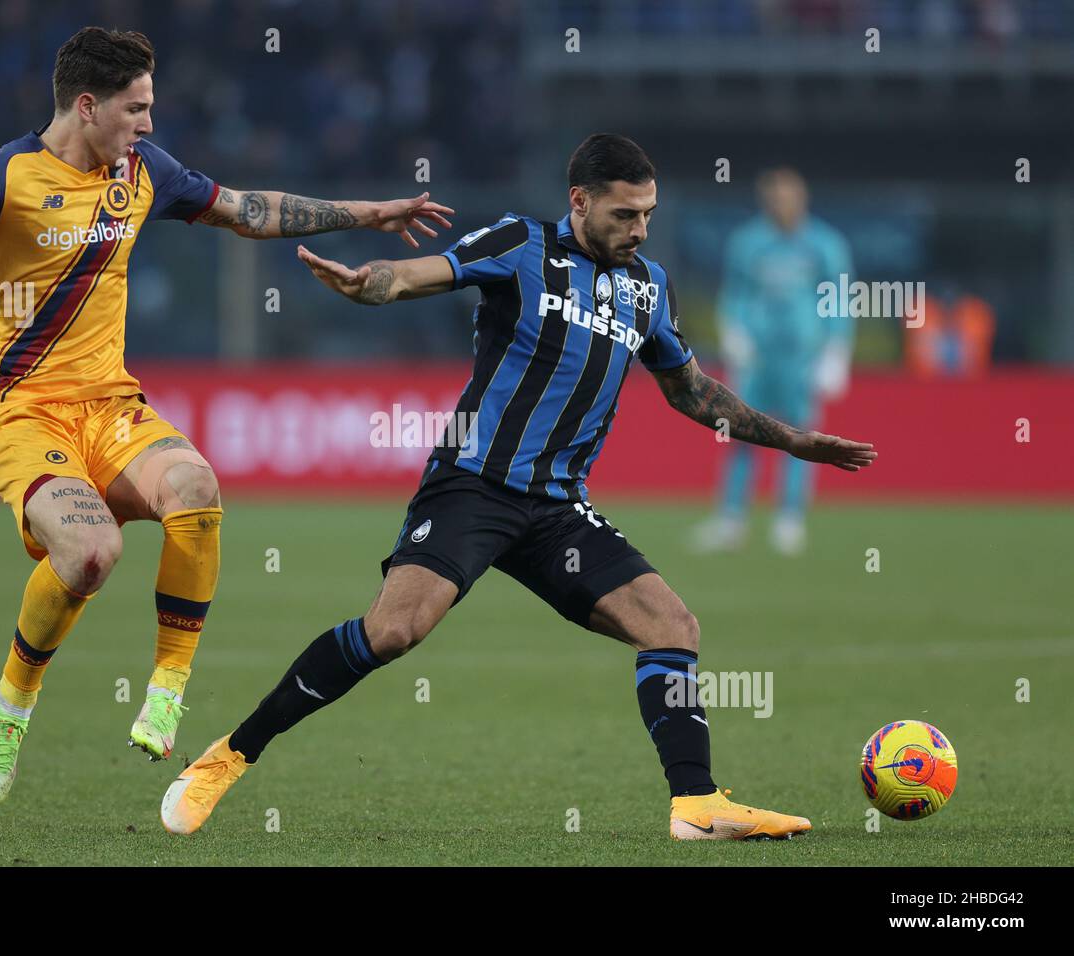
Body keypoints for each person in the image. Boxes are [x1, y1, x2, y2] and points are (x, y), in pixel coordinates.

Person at [161, 135, 876, 840]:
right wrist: (366, 284)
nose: (640, 229)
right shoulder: (520, 245)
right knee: (393, 630)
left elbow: (690, 392)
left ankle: (695, 805)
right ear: (580, 201)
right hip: (473, 486)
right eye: (625, 214)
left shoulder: (647, 286)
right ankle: (227, 757)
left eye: (648, 214)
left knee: (673, 628)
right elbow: (420, 275)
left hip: (559, 509)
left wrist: (791, 439)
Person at [0, 26, 453, 805]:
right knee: (90, 554)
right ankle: (10, 702)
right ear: (88, 106)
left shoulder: (145, 171)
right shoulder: (3, 175)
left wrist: (365, 213)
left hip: (111, 404)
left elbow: (248, 209)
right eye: (136, 108)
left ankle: (167, 689)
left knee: (196, 486)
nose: (149, 123)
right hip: (24, 413)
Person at [692, 168, 855, 555]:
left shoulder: (825, 243)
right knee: (740, 432)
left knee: (802, 436)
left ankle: (789, 519)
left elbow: (840, 299)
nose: (782, 205)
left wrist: (836, 352)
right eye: (775, 198)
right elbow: (734, 293)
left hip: (802, 356)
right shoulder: (749, 242)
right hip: (758, 358)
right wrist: (734, 333)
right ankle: (731, 520)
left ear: (802, 199)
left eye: (789, 197)